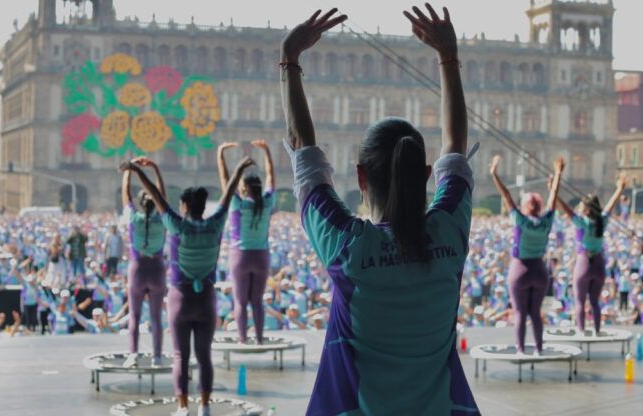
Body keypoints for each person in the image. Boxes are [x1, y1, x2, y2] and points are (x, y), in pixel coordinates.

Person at [279, 6, 478, 415]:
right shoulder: (449, 233)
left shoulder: (347, 248)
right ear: (425, 175)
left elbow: (303, 150)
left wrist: (289, 59)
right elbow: (456, 146)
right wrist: (448, 57)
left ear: (361, 176)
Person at [121, 154, 254, 416]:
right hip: (206, 299)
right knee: (204, 357)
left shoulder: (177, 226)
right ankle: (204, 406)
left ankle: (183, 407)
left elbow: (155, 195)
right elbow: (228, 193)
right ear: (203, 206)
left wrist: (136, 171)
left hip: (180, 299)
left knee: (181, 356)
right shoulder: (216, 224)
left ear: (183, 206)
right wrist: (239, 168)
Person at [490, 155, 565, 355]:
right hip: (540, 271)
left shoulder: (520, 220)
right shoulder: (547, 221)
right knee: (535, 313)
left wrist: (494, 174)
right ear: (539, 207)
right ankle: (539, 349)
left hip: (520, 270)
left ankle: (521, 350)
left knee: (520, 313)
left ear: (524, 207)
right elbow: (553, 198)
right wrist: (558, 173)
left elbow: (506, 195)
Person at [218, 139, 277, 343]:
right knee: (257, 302)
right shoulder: (268, 202)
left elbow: (226, 180)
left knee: (240, 302)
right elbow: (271, 178)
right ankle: (259, 338)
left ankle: (242, 339)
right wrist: (267, 151)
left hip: (240, 256)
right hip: (261, 256)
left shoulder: (237, 203)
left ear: (243, 188)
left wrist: (220, 154)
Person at [557, 175, 627, 335]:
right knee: (595, 302)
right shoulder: (603, 221)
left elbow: (566, 209)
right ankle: (596, 330)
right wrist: (619, 189)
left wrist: (554, 192)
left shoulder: (581, 222)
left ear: (587, 209)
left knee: (580, 301)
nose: (580, 209)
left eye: (582, 207)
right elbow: (610, 205)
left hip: (583, 263)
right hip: (599, 264)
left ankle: (581, 331)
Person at [121, 156, 168, 366]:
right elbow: (162, 196)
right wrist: (156, 168)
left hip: (137, 269)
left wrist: (129, 171)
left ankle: (133, 354)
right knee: (156, 317)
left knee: (135, 315)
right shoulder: (162, 218)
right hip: (157, 268)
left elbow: (126, 194)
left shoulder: (133, 217)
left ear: (140, 203)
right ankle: (157, 356)